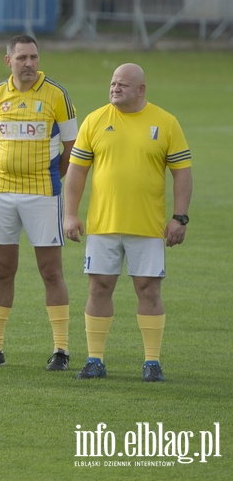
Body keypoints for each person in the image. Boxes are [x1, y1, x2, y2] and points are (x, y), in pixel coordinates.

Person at [64, 63, 192, 382]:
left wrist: (180, 217)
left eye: (122, 84)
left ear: (141, 90)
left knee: (148, 290)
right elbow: (76, 171)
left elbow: (182, 173)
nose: (115, 88)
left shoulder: (165, 123)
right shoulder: (95, 120)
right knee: (99, 287)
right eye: (112, 83)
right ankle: (95, 359)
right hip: (103, 225)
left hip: (147, 227)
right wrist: (69, 214)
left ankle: (152, 362)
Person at [0, 34, 77, 370]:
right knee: (2, 270)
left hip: (43, 192)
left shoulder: (57, 95)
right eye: (22, 58)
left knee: (50, 270)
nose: (29, 64)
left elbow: (72, 150)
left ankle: (61, 350)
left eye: (33, 57)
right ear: (8, 61)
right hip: (1, 192)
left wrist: (47, 176)